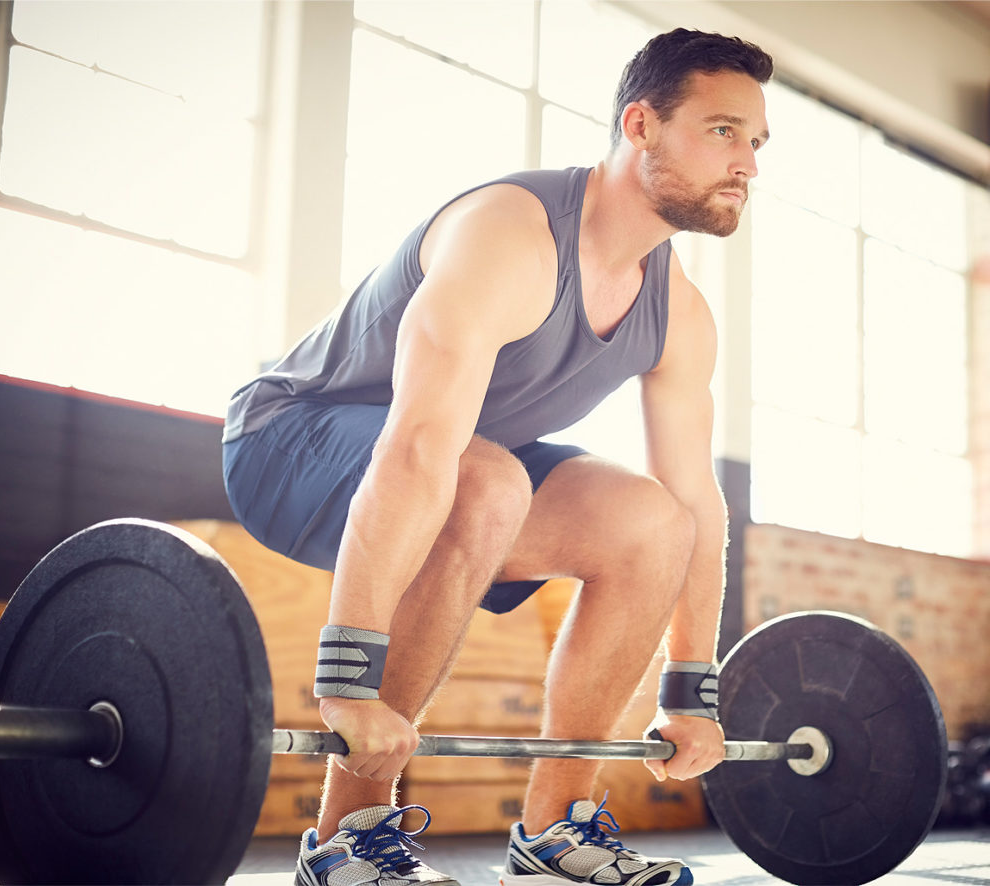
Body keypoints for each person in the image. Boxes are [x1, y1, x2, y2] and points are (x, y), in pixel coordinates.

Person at [222, 26, 772, 886]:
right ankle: (344, 839)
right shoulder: (510, 236)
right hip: (287, 443)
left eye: (755, 142)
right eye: (722, 130)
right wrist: (347, 678)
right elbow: (417, 446)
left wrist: (690, 693)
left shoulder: (681, 314)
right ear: (639, 125)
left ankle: (554, 834)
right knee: (484, 481)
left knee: (653, 525)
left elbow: (700, 505)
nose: (746, 161)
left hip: (466, 473)